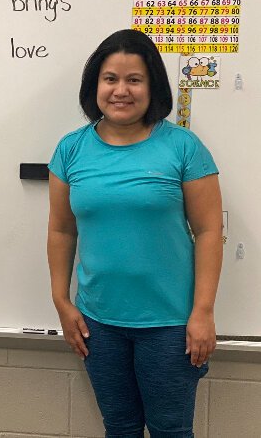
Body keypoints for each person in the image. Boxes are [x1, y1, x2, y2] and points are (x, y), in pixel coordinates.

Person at [46, 29, 223, 437]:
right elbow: (60, 230)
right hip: (97, 323)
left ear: (152, 86)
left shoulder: (183, 147)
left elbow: (210, 231)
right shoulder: (71, 149)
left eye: (134, 79)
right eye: (110, 79)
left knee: (170, 431)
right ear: (95, 86)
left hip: (170, 324)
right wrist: (61, 300)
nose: (120, 90)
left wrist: (203, 312)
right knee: (120, 428)